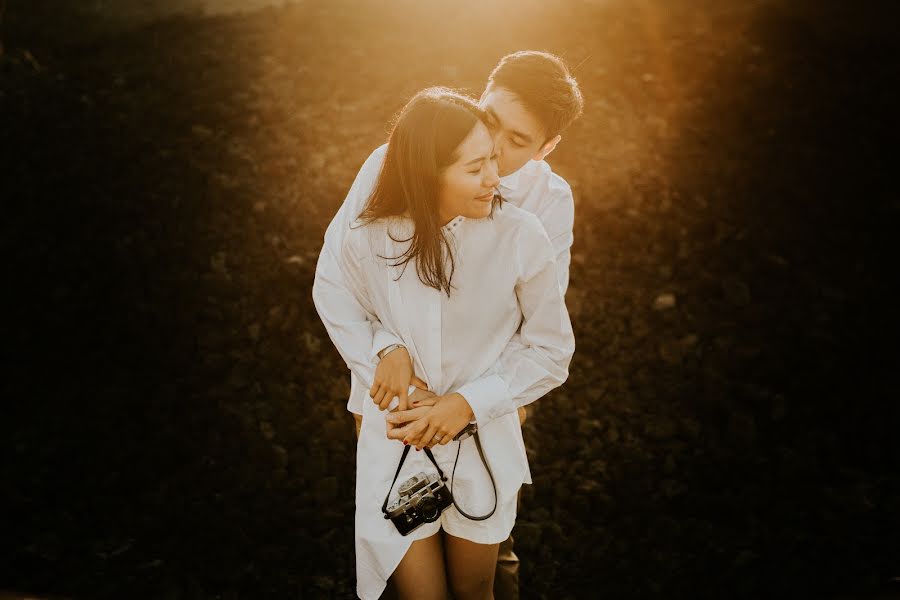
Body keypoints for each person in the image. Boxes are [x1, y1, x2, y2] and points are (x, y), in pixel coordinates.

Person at [313, 50, 583, 598]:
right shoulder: (394, 165)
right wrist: (385, 360)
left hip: (483, 412)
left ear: (547, 147)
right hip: (396, 411)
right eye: (491, 119)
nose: (498, 151)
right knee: (406, 552)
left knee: (486, 560)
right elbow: (344, 283)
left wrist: (478, 404)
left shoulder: (542, 212)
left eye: (519, 141)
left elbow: (538, 327)